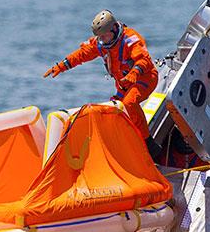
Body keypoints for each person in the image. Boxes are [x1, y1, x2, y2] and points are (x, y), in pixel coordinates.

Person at [43, 9, 162, 160]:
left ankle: (149, 145)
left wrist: (134, 73)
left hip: (144, 78)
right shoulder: (100, 44)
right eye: (100, 36)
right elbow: (82, 54)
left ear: (113, 29)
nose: (103, 39)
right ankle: (125, 145)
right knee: (114, 110)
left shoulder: (130, 39)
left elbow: (143, 59)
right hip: (123, 85)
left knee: (129, 103)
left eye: (105, 35)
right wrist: (61, 66)